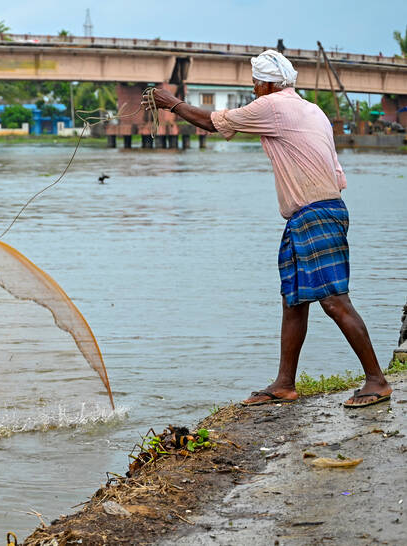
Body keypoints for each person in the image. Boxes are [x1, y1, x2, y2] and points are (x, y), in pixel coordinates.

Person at [147, 49, 392, 408]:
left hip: (314, 213)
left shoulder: (273, 106)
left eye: (254, 84)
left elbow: (211, 121)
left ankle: (376, 380)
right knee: (293, 300)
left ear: (266, 84)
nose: (253, 91)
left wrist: (171, 103)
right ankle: (284, 384)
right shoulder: (313, 110)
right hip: (316, 211)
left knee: (334, 300)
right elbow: (337, 173)